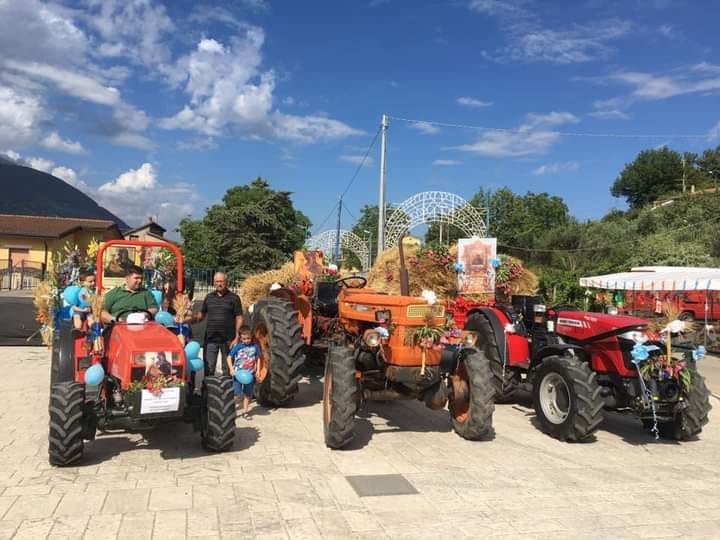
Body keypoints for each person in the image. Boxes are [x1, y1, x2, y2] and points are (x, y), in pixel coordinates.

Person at [194, 272, 243, 376]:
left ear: (226, 282)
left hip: (228, 340)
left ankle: (228, 386)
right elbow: (201, 315)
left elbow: (239, 317)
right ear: (213, 282)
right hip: (211, 339)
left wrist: (237, 337)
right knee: (209, 369)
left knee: (228, 370)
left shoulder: (234, 298)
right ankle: (207, 387)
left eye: (221, 281)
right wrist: (190, 318)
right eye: (217, 281)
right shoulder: (209, 297)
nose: (219, 284)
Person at [228, 326, 259, 416]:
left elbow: (258, 358)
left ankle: (245, 411)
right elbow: (229, 357)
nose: (246, 340)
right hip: (238, 374)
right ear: (240, 338)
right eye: (244, 339)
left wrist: (257, 370)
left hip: (249, 374)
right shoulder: (238, 347)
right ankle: (231, 410)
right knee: (237, 394)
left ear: (251, 337)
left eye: (248, 338)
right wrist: (231, 369)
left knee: (248, 394)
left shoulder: (255, 346)